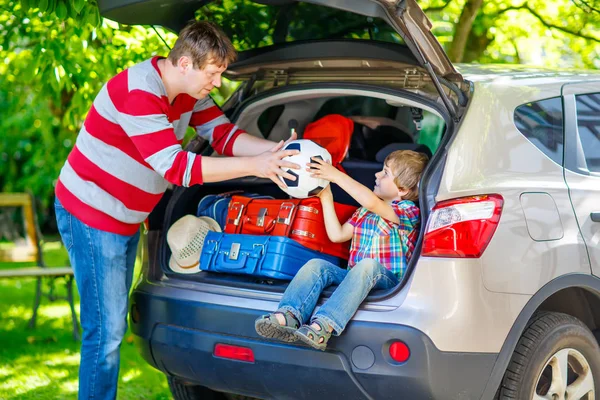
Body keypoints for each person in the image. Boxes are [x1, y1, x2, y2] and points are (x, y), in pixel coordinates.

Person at [54, 20, 299, 399]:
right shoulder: (138, 93)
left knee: (110, 325)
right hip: (90, 213)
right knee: (105, 332)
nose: (218, 84)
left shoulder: (188, 93)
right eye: (213, 73)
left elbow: (224, 135)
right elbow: (177, 167)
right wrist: (257, 166)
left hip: (126, 217)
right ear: (185, 64)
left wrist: (276, 152)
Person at [255, 150, 428, 350]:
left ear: (403, 190)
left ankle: (324, 325)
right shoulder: (363, 212)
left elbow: (372, 202)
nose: (377, 175)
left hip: (387, 280)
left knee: (368, 265)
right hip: (355, 277)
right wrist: (325, 196)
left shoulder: (408, 211)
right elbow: (337, 235)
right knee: (316, 265)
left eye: (385, 173)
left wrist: (336, 175)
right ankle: (290, 315)